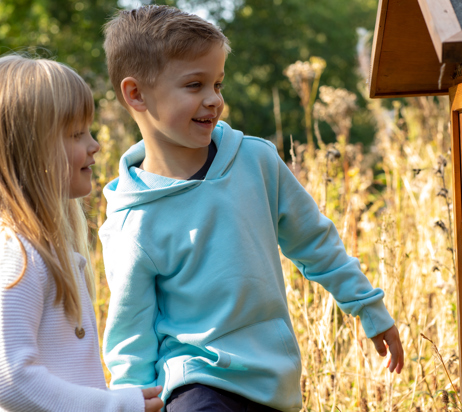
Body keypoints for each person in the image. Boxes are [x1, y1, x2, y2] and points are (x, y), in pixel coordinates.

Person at [100, 5, 404, 412]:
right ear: (136, 94)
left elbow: (315, 241)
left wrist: (368, 307)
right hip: (194, 383)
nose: (213, 100)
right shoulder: (132, 220)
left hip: (273, 382)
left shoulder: (255, 162)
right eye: (194, 85)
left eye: (218, 84)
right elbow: (129, 334)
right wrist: (132, 401)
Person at [0, 54, 164, 412]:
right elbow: (9, 379)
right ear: (28, 151)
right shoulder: (16, 255)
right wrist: (115, 406)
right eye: (76, 134)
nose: (95, 145)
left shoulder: (44, 250)